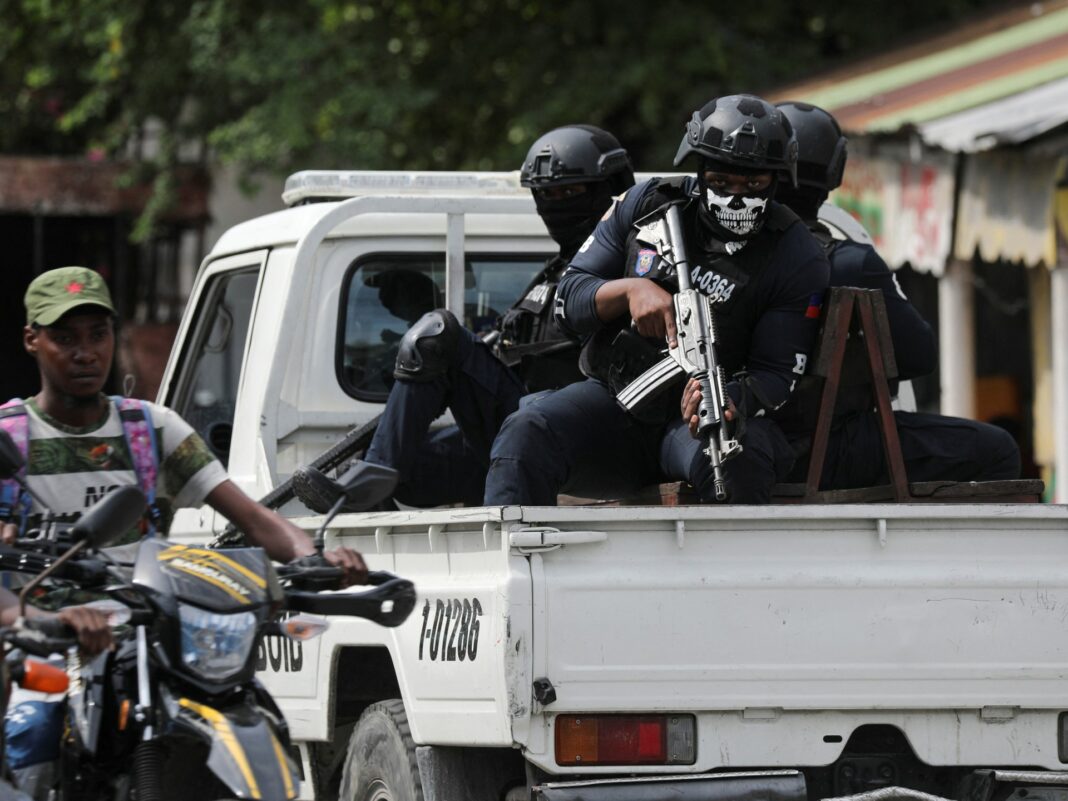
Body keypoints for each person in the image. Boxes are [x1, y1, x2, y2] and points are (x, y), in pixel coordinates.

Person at [484, 94, 831, 505]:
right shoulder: (649, 205)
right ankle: (522, 559)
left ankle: (728, 567)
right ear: (700, 170)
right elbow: (568, 301)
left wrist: (730, 396)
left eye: (753, 184)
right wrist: (630, 291)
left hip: (696, 427)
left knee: (738, 459)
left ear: (776, 181)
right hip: (616, 406)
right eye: (721, 182)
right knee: (528, 430)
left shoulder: (794, 253)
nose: (736, 195)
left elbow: (776, 373)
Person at [0, 266, 368, 584]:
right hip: (37, 648)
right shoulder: (8, 437)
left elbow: (253, 518)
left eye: (98, 334)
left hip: (140, 644)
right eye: (65, 339)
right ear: (32, 340)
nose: (86, 353)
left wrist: (314, 560)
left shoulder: (150, 430)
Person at [359, 125, 636, 507]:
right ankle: (369, 493)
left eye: (569, 192)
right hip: (514, 426)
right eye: (546, 195)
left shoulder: (627, 267)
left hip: (567, 431)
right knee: (399, 468)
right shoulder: (558, 270)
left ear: (612, 186)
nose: (556, 204)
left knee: (437, 333)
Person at [773, 100, 1020, 488]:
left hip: (746, 451)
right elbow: (919, 355)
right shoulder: (851, 263)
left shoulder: (716, 256)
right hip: (830, 452)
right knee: (998, 449)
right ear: (835, 172)